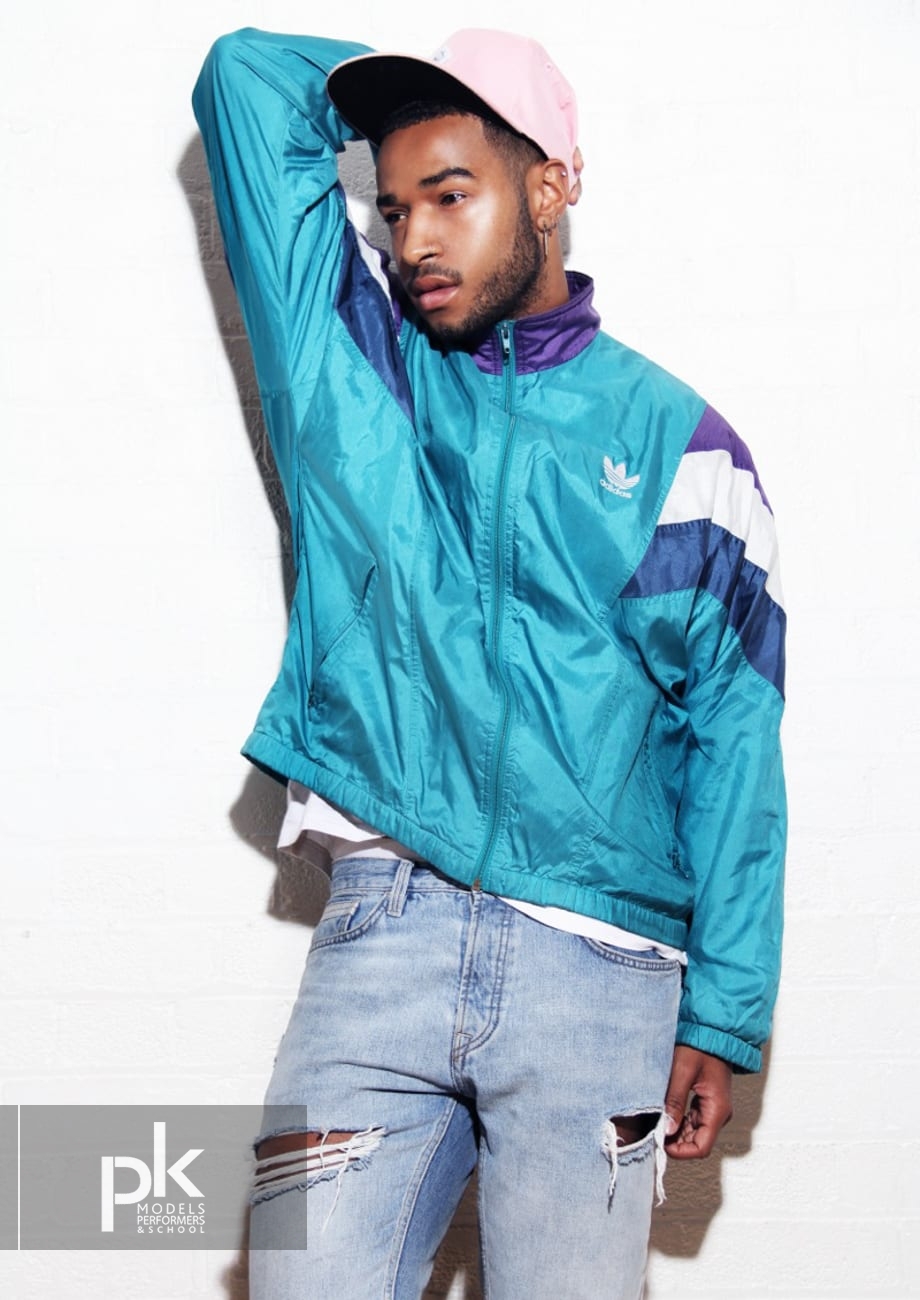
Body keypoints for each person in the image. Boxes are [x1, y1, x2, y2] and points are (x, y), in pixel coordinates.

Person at [192, 25, 786, 1299]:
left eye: (451, 194)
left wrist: (723, 1012)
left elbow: (733, 741)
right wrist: (411, 83)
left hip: (600, 967)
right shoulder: (355, 361)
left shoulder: (685, 449)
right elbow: (243, 79)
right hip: (382, 940)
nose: (413, 237)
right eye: (394, 205)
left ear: (551, 187)